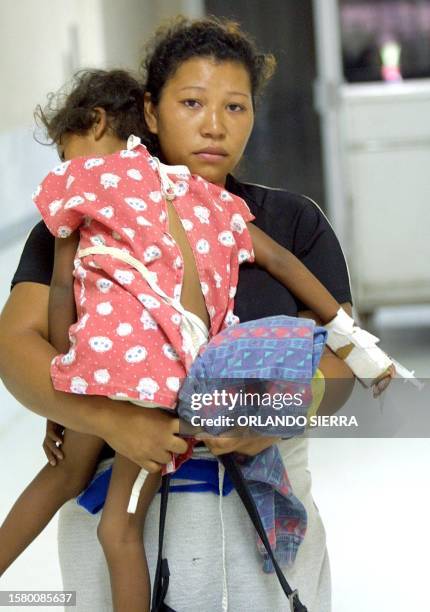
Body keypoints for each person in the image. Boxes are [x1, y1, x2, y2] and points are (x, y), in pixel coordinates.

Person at [0, 16, 361, 612]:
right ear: (150, 110)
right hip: (115, 535)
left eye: (236, 107)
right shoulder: (85, 222)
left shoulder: (290, 222)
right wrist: (112, 422)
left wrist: (264, 420)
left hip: (259, 540)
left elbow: (339, 364)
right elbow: (16, 349)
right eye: (191, 102)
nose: (214, 126)